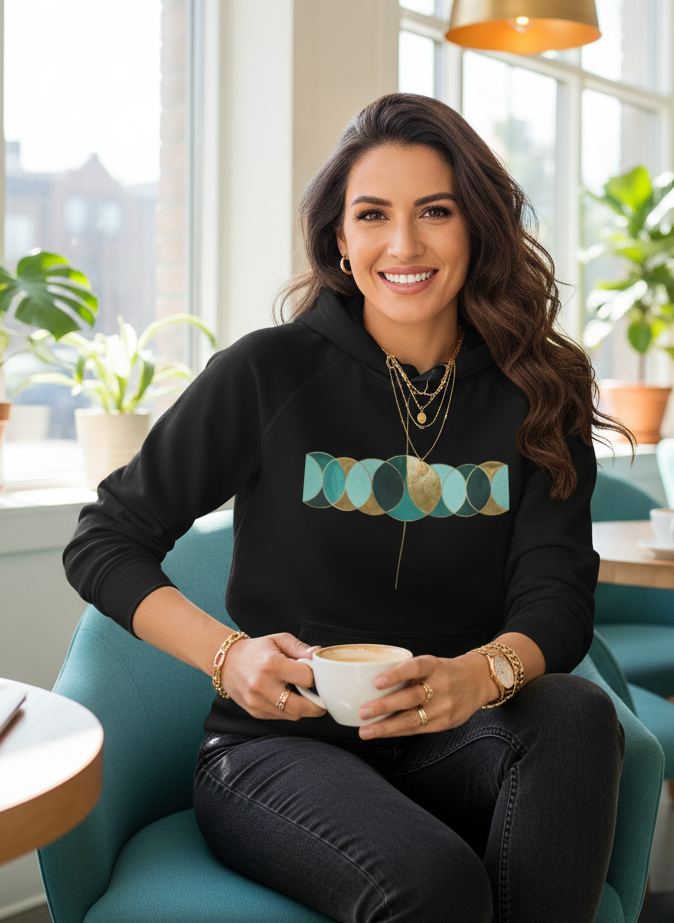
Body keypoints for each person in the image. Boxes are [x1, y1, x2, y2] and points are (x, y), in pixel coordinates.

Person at [64, 92, 626, 923]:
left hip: (455, 735)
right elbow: (105, 539)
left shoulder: (539, 391)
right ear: (341, 238)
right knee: (434, 881)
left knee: (578, 714)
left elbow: (559, 597)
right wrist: (228, 657)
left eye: (436, 211)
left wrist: (478, 675)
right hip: (277, 751)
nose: (405, 245)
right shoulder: (267, 374)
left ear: (476, 228)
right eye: (374, 215)